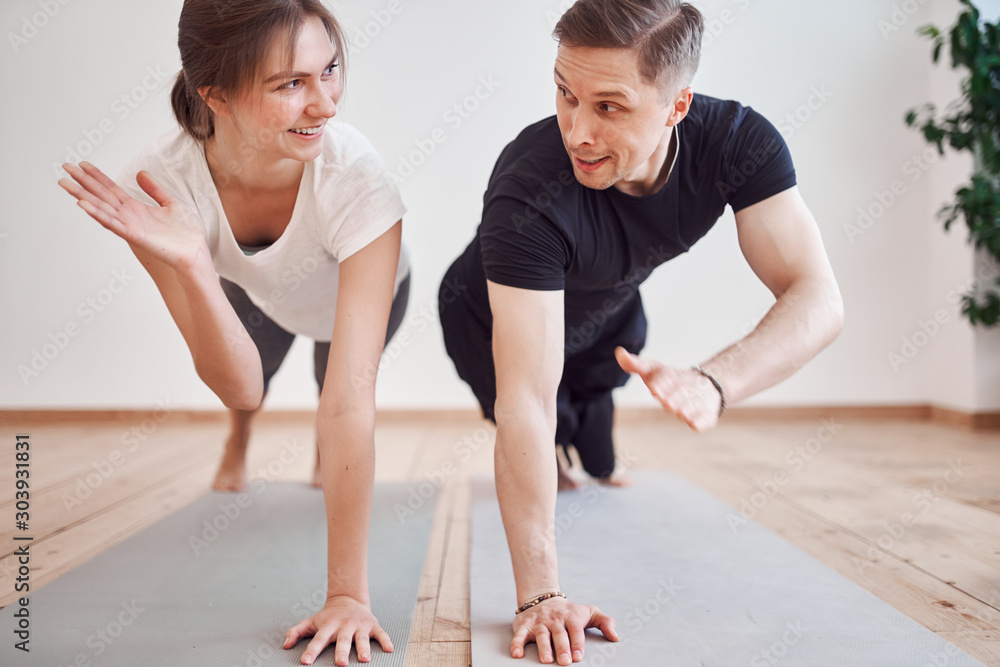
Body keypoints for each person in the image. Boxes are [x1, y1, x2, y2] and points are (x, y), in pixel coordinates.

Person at [438, 0, 844, 664]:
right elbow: (526, 401)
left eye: (609, 106)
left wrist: (716, 381)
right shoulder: (528, 187)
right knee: (548, 423)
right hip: (489, 313)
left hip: (609, 312)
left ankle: (587, 450)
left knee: (595, 451)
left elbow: (819, 297)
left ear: (677, 106)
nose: (578, 131)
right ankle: (569, 454)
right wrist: (540, 595)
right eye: (565, 95)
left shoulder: (738, 143)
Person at [57, 1, 407, 665]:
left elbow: (349, 399)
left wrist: (347, 595)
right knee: (254, 391)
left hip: (352, 291)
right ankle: (238, 446)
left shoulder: (355, 175)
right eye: (291, 84)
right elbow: (239, 385)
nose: (326, 105)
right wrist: (192, 262)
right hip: (259, 293)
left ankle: (318, 456)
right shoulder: (162, 187)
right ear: (215, 95)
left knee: (333, 393)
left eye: (329, 70)